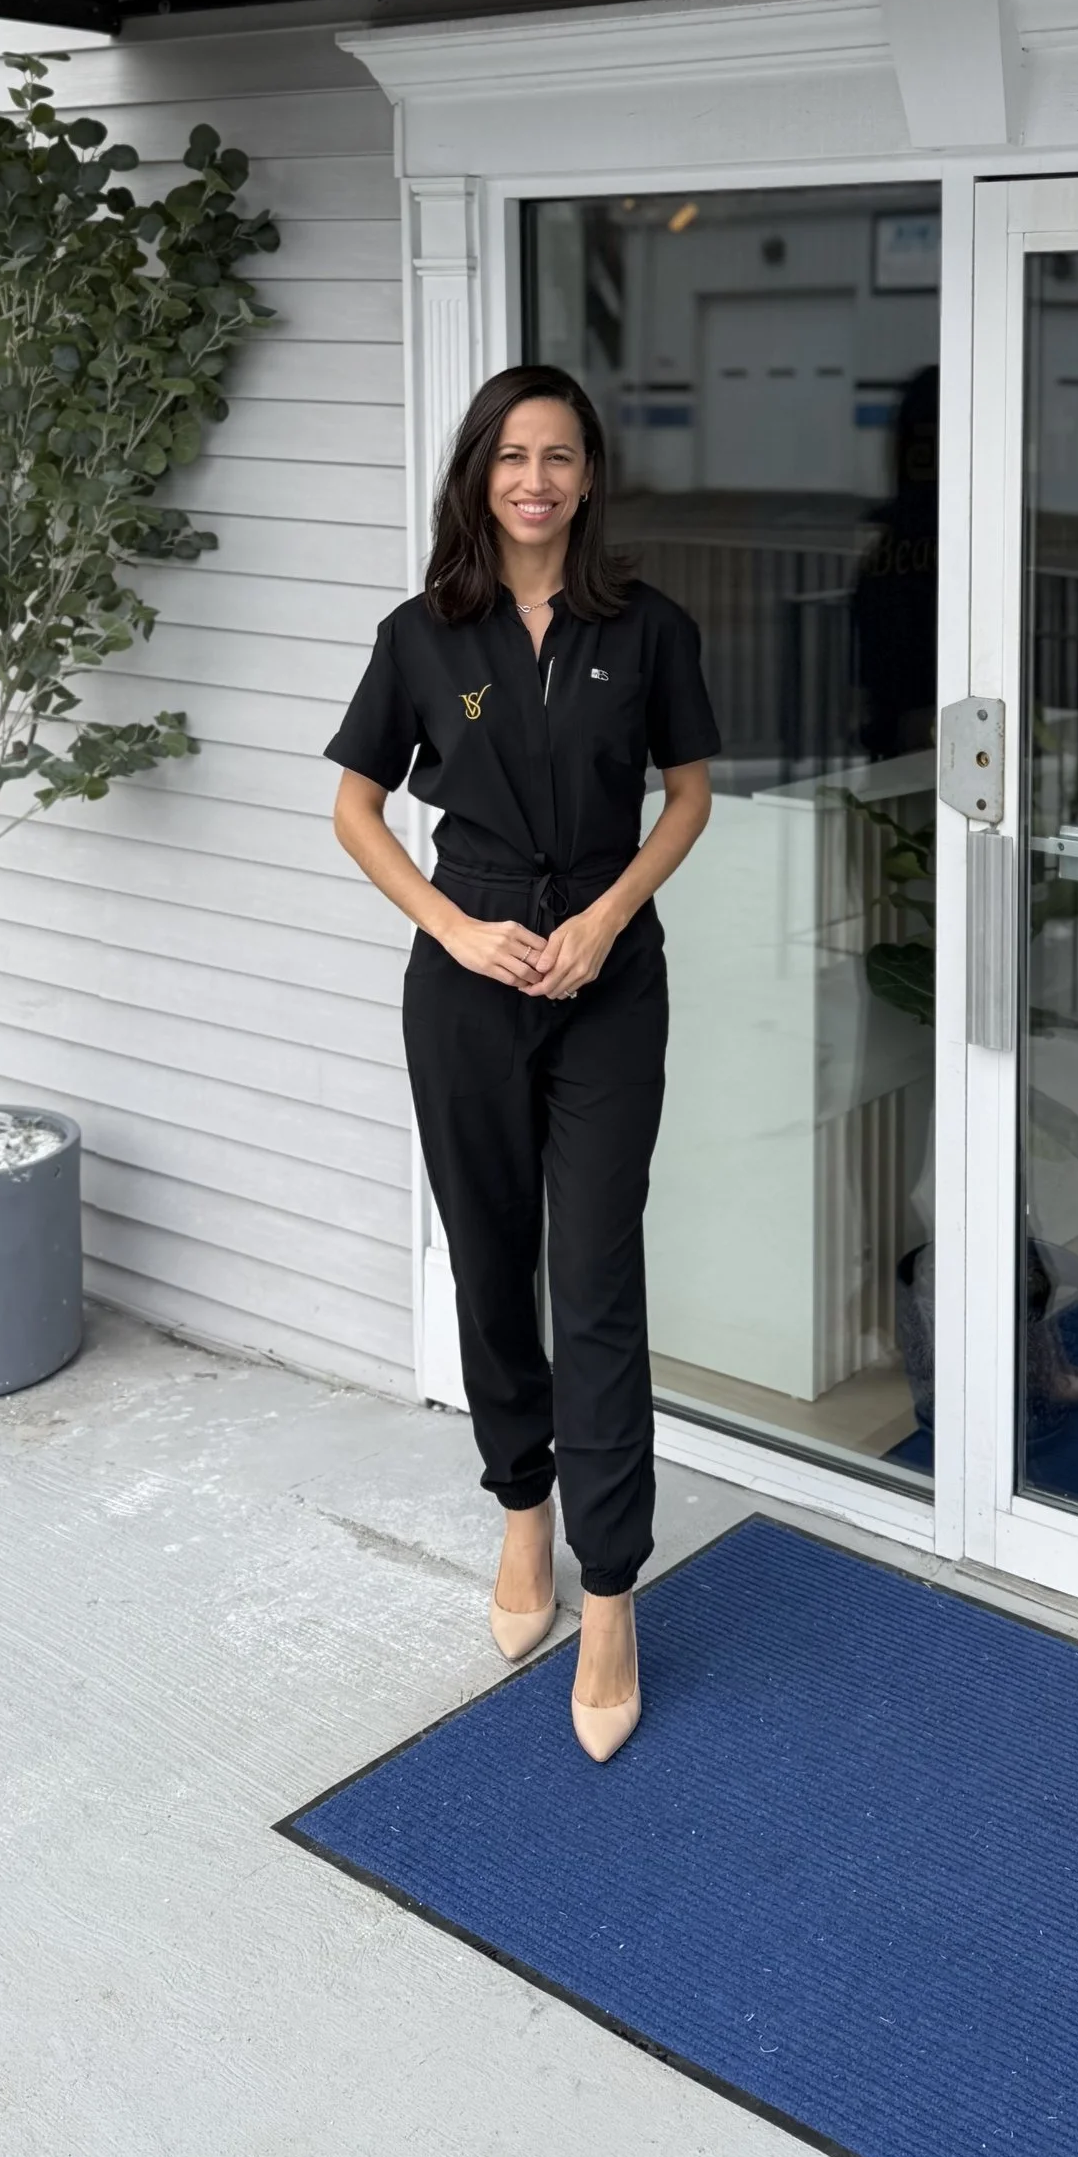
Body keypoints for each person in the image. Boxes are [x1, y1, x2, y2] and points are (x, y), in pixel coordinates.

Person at [327, 364, 716, 1762]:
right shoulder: (426, 635)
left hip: (610, 987)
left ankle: (610, 1597)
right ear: (479, 475)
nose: (535, 478)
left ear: (590, 477)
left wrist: (607, 919)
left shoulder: (646, 628)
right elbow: (358, 808)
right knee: (494, 1265)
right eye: (512, 454)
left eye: (558, 455)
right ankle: (522, 1515)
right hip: (469, 987)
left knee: (597, 1282)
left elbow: (687, 794)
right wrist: (452, 926)